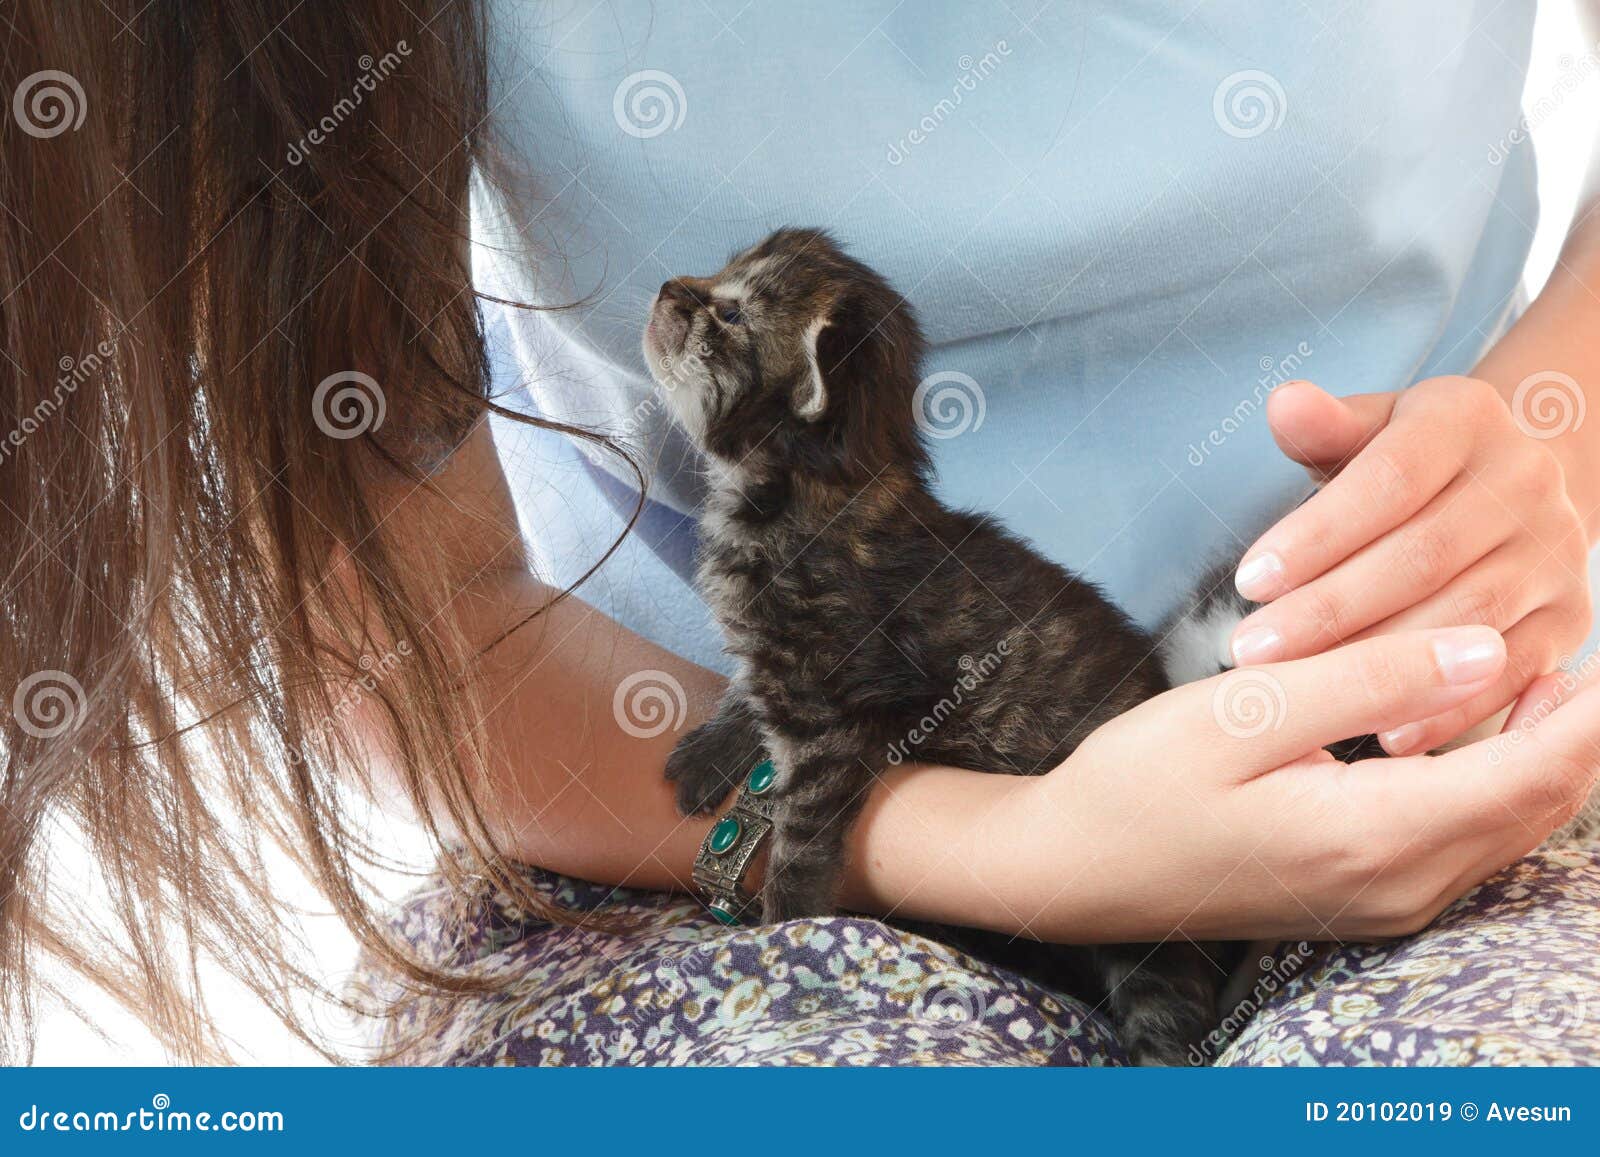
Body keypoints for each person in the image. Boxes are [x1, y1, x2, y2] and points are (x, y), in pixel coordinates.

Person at [2, 1, 1597, 1065]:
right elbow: (402, 623)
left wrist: (1554, 417)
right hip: (667, 839)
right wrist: (989, 845)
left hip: (1443, 757)